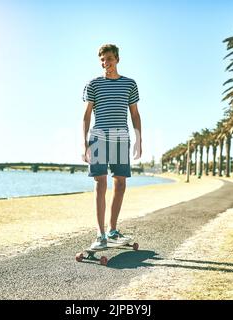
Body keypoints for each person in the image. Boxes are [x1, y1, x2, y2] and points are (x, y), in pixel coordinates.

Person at [82, 44, 142, 250]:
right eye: (102, 60)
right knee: (100, 184)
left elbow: (134, 114)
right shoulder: (93, 84)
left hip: (120, 138)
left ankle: (112, 230)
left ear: (117, 59)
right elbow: (87, 115)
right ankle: (100, 235)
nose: (105, 63)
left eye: (109, 59)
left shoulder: (130, 84)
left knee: (120, 184)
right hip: (98, 137)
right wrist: (85, 143)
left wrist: (139, 139)